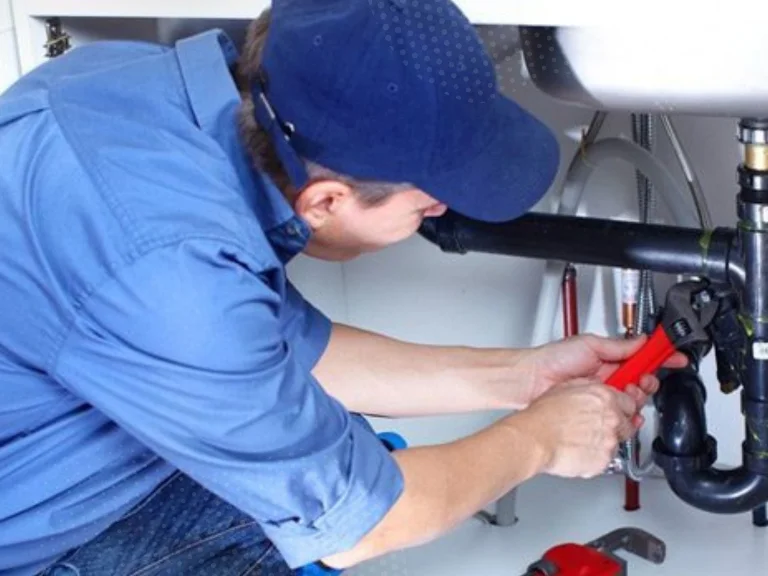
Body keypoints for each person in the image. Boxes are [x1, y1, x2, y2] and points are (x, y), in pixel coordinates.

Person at [0, 0, 685, 574]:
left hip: (75, 454)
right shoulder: (172, 273)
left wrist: (525, 377)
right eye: (427, 203)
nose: (442, 211)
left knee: (333, 451)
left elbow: (280, 351)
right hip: (41, 540)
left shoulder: (145, 96)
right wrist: (540, 441)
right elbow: (362, 524)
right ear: (325, 201)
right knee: (333, 499)